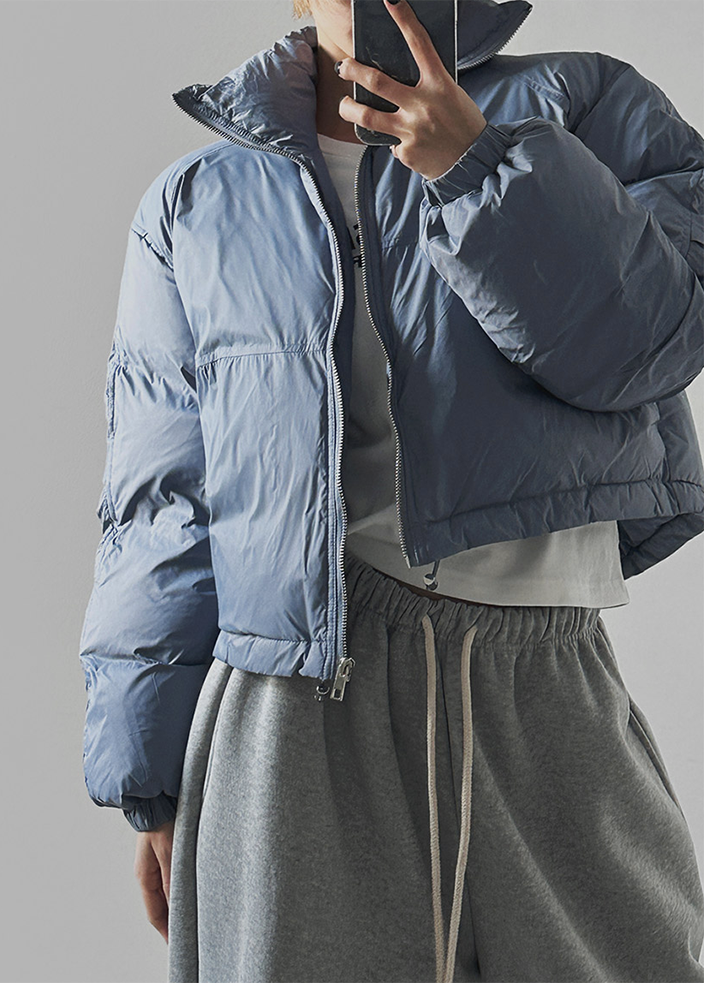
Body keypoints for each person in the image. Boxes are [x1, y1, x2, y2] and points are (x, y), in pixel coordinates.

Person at [78, 0, 704, 979]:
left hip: (545, 688)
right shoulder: (198, 204)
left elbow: (649, 341)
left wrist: (477, 166)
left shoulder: (590, 110)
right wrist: (151, 779)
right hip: (295, 705)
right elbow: (164, 505)